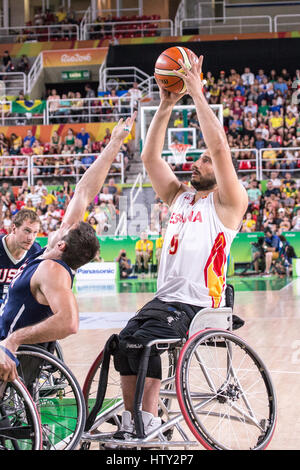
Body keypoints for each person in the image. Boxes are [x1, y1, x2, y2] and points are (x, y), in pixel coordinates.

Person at [113, 55, 248, 440]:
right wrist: (167, 104)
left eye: (204, 161)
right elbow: (149, 157)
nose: (198, 162)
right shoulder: (179, 197)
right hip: (164, 300)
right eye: (198, 158)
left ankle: (149, 422)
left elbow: (220, 148)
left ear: (219, 172)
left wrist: (197, 93)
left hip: (200, 302)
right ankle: (133, 419)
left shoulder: (227, 204)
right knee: (123, 344)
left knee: (144, 342)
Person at [0, 114, 136, 382]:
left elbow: (70, 322)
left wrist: (13, 340)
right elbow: (84, 191)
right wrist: (115, 143)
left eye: (65, 227)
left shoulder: (52, 270)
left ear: (61, 243)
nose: (63, 223)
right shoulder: (43, 256)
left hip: (7, 351)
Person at [0, 207, 41, 301]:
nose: (31, 238)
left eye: (35, 232)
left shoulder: (35, 251)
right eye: (27, 231)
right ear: (14, 229)